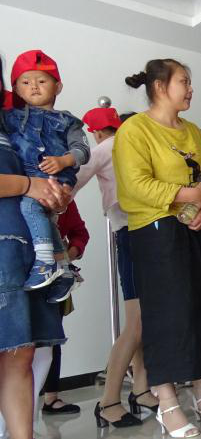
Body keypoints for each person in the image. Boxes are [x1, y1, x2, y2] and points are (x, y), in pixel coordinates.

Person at [114, 59, 201, 438]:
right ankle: (167, 402)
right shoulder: (135, 130)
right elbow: (134, 187)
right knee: (168, 315)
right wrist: (190, 195)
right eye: (184, 81)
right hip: (156, 231)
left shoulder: (193, 130)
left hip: (198, 227)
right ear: (160, 86)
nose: (191, 88)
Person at [74, 106, 155, 427]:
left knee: (139, 321)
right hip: (137, 234)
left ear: (96, 132)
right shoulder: (125, 146)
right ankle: (110, 400)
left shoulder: (104, 147)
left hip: (132, 234)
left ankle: (139, 388)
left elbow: (72, 182)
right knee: (138, 322)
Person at [0, 81, 70, 438]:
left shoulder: (13, 123)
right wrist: (29, 185)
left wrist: (55, 195)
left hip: (23, 252)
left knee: (20, 354)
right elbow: (28, 182)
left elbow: (45, 175)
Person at [3, 50, 90, 303]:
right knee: (46, 220)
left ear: (58, 87)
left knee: (30, 207)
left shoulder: (68, 121)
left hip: (56, 178)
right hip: (30, 178)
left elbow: (83, 150)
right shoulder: (11, 117)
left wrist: (64, 160)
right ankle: (63, 271)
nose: (34, 87)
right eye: (26, 82)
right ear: (16, 90)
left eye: (42, 81)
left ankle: (45, 262)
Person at [39, 201, 88, 417]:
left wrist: (68, 254)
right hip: (23, 274)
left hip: (56, 277)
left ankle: (51, 397)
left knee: (53, 335)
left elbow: (80, 233)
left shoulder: (65, 200)